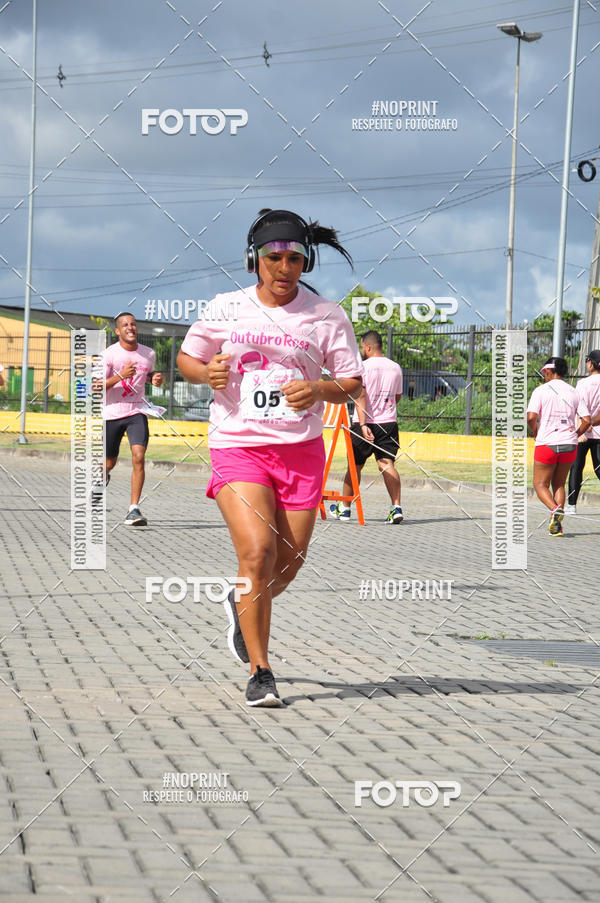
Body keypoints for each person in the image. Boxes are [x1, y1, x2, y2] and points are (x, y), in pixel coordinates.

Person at [177, 208, 363, 707]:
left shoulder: (326, 315)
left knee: (289, 561)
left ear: (307, 262)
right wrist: (206, 374)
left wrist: (320, 388)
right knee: (257, 553)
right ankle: (261, 671)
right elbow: (188, 358)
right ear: (254, 259)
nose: (284, 268)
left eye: (295, 258)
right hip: (238, 443)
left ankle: (240, 603)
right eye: (274, 257)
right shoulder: (226, 307)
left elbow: (351, 383)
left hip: (300, 450)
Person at [94, 313, 163, 526]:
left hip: (137, 411)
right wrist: (120, 376)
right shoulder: (108, 355)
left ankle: (133, 509)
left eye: (133, 324)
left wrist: (156, 379)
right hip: (112, 413)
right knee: (108, 463)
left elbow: (149, 374)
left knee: (138, 456)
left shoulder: (148, 353)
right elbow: (94, 386)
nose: (130, 327)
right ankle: (100, 479)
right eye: (125, 325)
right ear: (117, 331)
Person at [329, 330, 403, 523]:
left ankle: (344, 509)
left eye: (362, 347)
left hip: (364, 423)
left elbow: (360, 397)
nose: (362, 350)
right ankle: (396, 507)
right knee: (386, 464)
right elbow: (397, 397)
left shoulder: (362, 367)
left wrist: (362, 425)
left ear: (368, 347)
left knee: (355, 466)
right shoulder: (396, 367)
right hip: (388, 422)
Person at [526, 356, 590, 536]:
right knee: (559, 484)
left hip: (547, 443)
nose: (544, 375)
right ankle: (557, 526)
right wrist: (576, 434)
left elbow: (531, 417)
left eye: (544, 372)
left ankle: (555, 510)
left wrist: (535, 431)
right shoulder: (574, 391)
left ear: (549, 371)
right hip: (569, 444)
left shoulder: (540, 391)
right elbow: (587, 420)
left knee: (539, 484)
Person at [565, 349, 600, 514]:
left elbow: (578, 408)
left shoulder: (583, 383)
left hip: (582, 431)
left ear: (591, 364)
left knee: (576, 468)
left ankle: (571, 505)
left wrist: (582, 429)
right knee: (599, 468)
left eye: (587, 360)